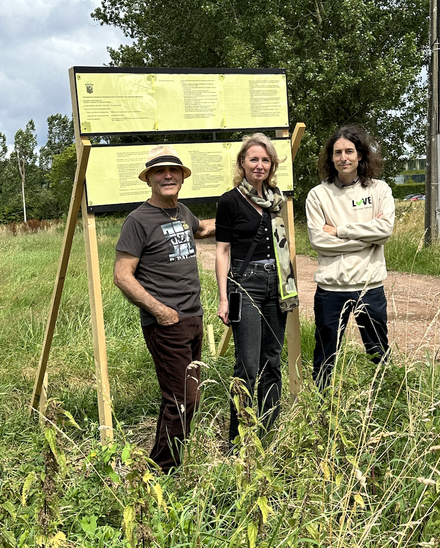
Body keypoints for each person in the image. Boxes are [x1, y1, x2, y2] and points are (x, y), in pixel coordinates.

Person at [114, 145, 215, 472]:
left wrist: (243, 211)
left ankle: (159, 461)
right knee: (185, 400)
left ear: (182, 177)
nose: (167, 175)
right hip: (166, 324)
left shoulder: (183, 213)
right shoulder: (138, 221)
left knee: (179, 398)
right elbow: (122, 275)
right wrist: (160, 311)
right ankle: (164, 472)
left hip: (193, 318)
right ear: (149, 179)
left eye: (173, 170)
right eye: (160, 171)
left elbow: (203, 229)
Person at [216, 133, 298, 447]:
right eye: (254, 159)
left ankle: (266, 434)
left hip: (277, 283)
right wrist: (224, 297)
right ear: (242, 163)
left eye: (265, 160)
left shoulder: (277, 200)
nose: (259, 165)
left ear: (272, 165)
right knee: (247, 365)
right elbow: (222, 251)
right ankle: (238, 441)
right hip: (245, 283)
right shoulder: (230, 200)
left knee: (272, 361)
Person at [305, 124, 395, 390]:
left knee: (378, 351)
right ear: (330, 158)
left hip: (370, 286)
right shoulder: (318, 195)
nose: (343, 157)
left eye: (349, 151)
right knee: (325, 354)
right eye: (337, 152)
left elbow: (385, 230)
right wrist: (367, 241)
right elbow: (319, 242)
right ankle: (321, 406)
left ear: (360, 155)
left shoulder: (379, 190)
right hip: (331, 289)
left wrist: (341, 231)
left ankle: (382, 401)